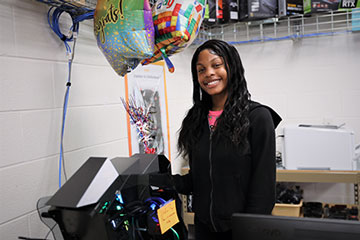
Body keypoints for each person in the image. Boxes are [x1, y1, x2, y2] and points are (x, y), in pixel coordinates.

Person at [172, 39, 282, 239]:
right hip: (204, 229)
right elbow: (203, 177)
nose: (209, 74)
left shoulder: (257, 117)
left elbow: (263, 190)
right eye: (201, 70)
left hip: (241, 231)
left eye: (216, 65)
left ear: (232, 67)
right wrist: (168, 182)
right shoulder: (195, 120)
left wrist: (249, 231)